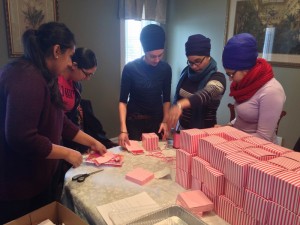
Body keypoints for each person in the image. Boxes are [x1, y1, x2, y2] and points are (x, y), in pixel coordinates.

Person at [0, 22, 106, 224]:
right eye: (69, 56)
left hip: (37, 178)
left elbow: (60, 121)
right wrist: (67, 152)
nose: (70, 63)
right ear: (57, 51)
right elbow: (21, 138)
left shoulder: (46, 76)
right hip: (16, 185)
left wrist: (91, 141)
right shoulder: (26, 78)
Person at [221, 33, 286, 143]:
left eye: (231, 74)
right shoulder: (245, 84)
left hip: (258, 149)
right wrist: (228, 126)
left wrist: (228, 136)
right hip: (239, 143)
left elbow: (263, 137)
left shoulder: (272, 91)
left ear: (245, 69)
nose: (230, 80)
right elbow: (246, 115)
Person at [118, 24, 172, 147]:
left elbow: (166, 99)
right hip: (134, 122)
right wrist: (123, 129)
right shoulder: (130, 68)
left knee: (156, 155)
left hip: (156, 122)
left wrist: (165, 121)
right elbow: (122, 101)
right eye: (152, 56)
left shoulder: (166, 69)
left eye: (160, 55)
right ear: (144, 51)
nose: (157, 59)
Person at [58, 47, 117, 152]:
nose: (88, 79)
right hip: (57, 136)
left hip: (69, 131)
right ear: (74, 66)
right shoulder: (55, 81)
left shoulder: (77, 85)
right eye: (87, 74)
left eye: (91, 75)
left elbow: (71, 119)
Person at [167, 34, 226, 130]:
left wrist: (180, 104)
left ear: (208, 56)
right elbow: (177, 98)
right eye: (190, 62)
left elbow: (205, 94)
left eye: (198, 61)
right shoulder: (186, 73)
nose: (193, 66)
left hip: (204, 133)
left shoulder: (218, 78)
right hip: (182, 130)